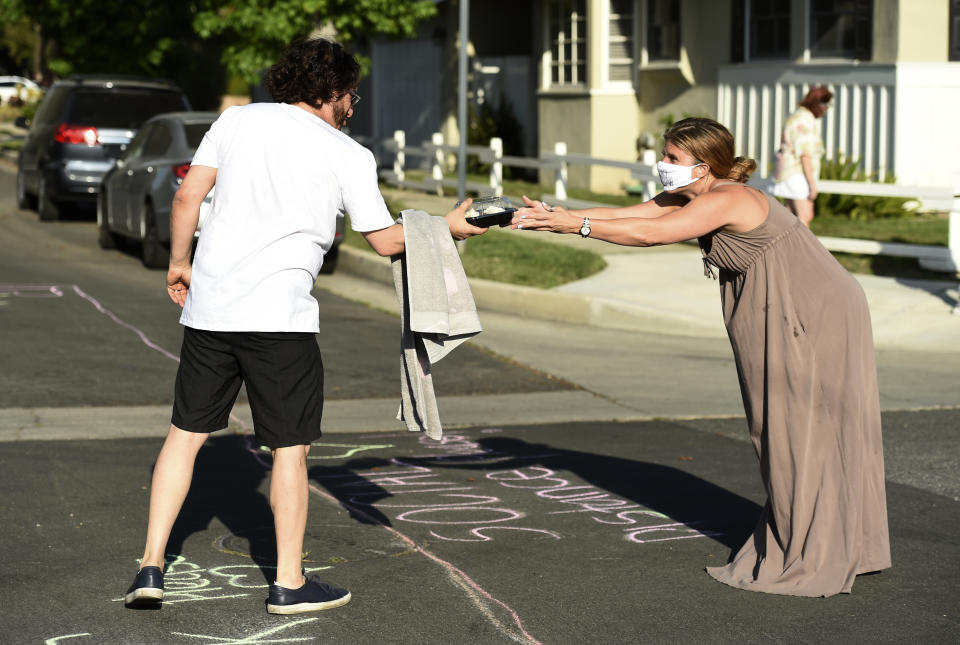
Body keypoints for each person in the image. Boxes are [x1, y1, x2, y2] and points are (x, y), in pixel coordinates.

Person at [123, 38, 484, 614]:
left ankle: (149, 567)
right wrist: (452, 226)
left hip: (211, 312)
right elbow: (387, 240)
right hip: (280, 322)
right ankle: (288, 583)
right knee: (290, 451)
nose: (352, 106)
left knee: (184, 436)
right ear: (330, 92)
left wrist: (179, 261)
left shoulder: (235, 120)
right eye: (350, 95)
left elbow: (189, 194)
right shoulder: (347, 153)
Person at [511, 117, 890, 597]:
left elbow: (653, 236)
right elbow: (633, 214)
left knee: (800, 427)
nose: (662, 165)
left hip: (811, 311)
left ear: (704, 165)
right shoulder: (693, 194)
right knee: (784, 426)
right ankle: (836, 537)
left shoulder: (728, 198)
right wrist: (557, 214)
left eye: (671, 158)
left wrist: (576, 225)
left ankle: (817, 549)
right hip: (780, 305)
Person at [772, 85, 833, 227]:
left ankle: (786, 249)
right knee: (805, 216)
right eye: (825, 104)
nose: (826, 108)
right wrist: (812, 184)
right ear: (817, 103)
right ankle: (800, 249)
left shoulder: (796, 115)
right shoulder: (805, 119)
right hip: (797, 174)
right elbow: (805, 154)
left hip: (786, 172)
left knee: (790, 217)